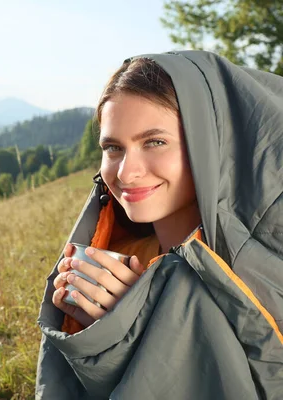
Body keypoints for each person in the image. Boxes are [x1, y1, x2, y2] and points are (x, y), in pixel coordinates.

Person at [36, 51, 283, 399]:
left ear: (209, 144)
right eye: (113, 147)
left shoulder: (263, 273)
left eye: (155, 142)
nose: (125, 173)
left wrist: (150, 319)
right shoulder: (112, 258)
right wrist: (98, 333)